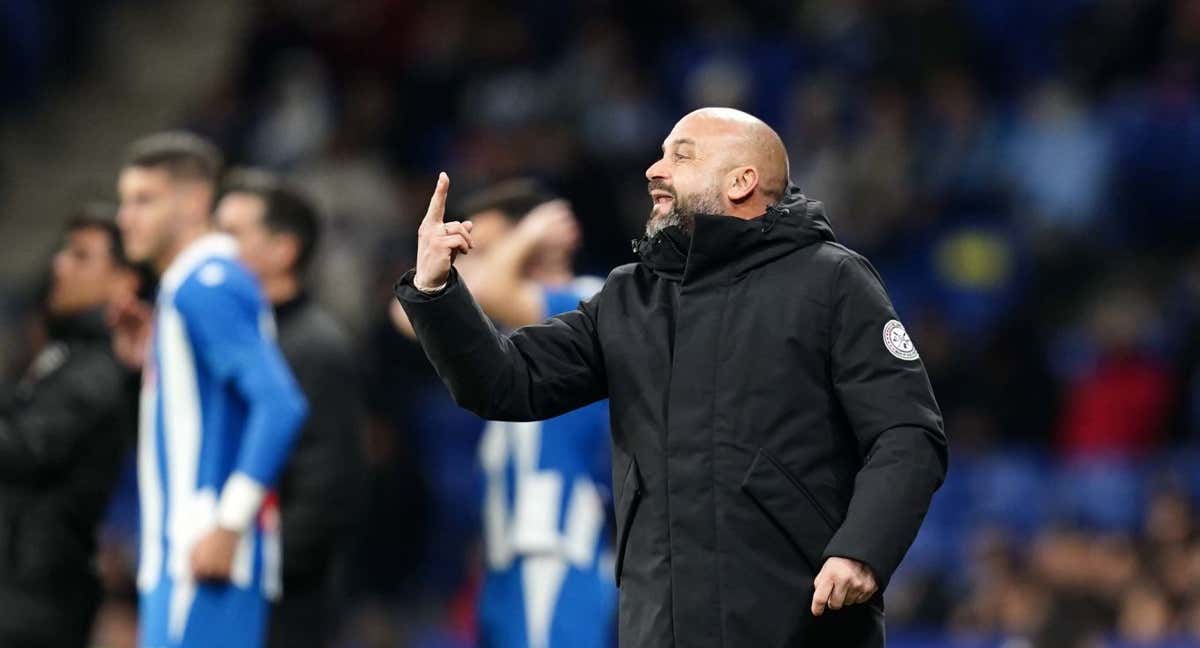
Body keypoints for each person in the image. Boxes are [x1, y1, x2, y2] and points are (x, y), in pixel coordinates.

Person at [395, 107, 949, 647]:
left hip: (799, 617)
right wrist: (438, 292)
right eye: (659, 155)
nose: (654, 170)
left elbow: (907, 434)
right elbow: (506, 381)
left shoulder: (832, 280)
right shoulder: (629, 296)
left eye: (680, 156)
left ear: (742, 181)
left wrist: (862, 550)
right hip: (660, 622)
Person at [114, 132, 308, 648]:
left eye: (144, 200)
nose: (125, 217)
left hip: (202, 551)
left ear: (196, 200)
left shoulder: (207, 281)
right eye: (125, 201)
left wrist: (229, 523)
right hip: (183, 551)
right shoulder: (191, 283)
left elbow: (280, 402)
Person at [421, 181, 617, 648]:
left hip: (559, 537)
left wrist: (529, 235)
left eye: (488, 249)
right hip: (506, 541)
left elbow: (483, 288)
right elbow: (404, 309)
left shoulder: (589, 301)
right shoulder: (508, 323)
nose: (472, 264)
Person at [215, 168, 367, 648]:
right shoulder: (234, 336)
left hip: (281, 602)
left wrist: (254, 561)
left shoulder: (316, 347)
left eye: (232, 234)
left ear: (283, 250)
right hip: (222, 577)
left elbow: (328, 487)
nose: (213, 249)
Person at [0, 209, 138, 648]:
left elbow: (26, 449)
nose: (59, 264)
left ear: (124, 281)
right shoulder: (68, 353)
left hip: (34, 598)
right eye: (64, 252)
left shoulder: (100, 367)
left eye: (81, 256)